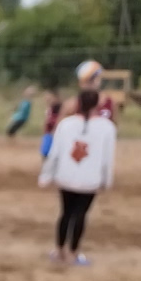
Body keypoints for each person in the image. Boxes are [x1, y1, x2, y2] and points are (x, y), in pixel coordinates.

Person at [39, 89, 116, 267]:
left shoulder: (65, 124)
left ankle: (59, 251)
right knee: (81, 214)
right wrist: (107, 180)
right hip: (90, 180)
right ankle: (73, 253)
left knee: (65, 213)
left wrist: (46, 175)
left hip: (66, 176)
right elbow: (108, 158)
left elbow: (54, 152)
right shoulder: (107, 127)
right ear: (97, 104)